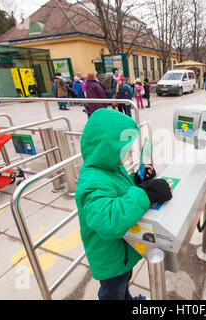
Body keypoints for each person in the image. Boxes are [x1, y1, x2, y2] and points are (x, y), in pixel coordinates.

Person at [75, 108, 173, 300]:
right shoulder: (91, 182)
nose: (130, 150)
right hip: (110, 260)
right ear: (107, 147)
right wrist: (144, 193)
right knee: (113, 292)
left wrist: (138, 179)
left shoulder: (109, 168)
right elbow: (108, 220)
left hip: (121, 255)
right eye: (124, 146)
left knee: (123, 285)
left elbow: (119, 190)